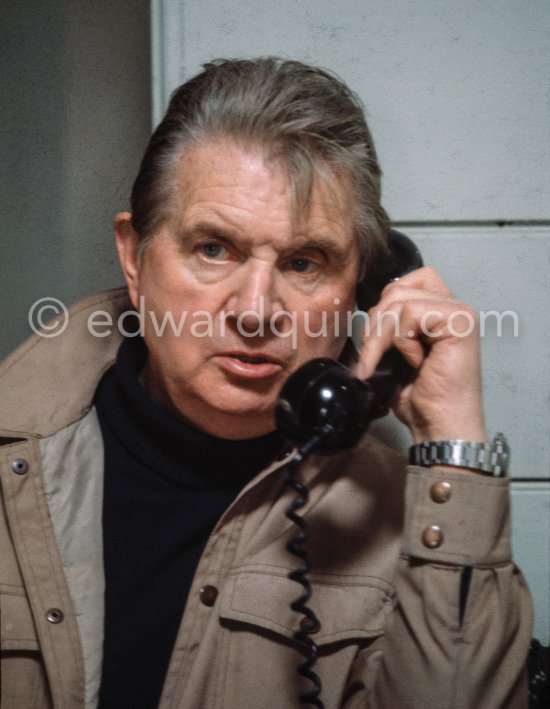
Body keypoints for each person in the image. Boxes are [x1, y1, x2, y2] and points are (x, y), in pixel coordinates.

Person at [0, 57, 532, 709]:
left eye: (305, 262)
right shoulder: (11, 463)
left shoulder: (411, 519)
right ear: (135, 257)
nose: (255, 310)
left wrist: (452, 443)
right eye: (214, 248)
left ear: (363, 287)